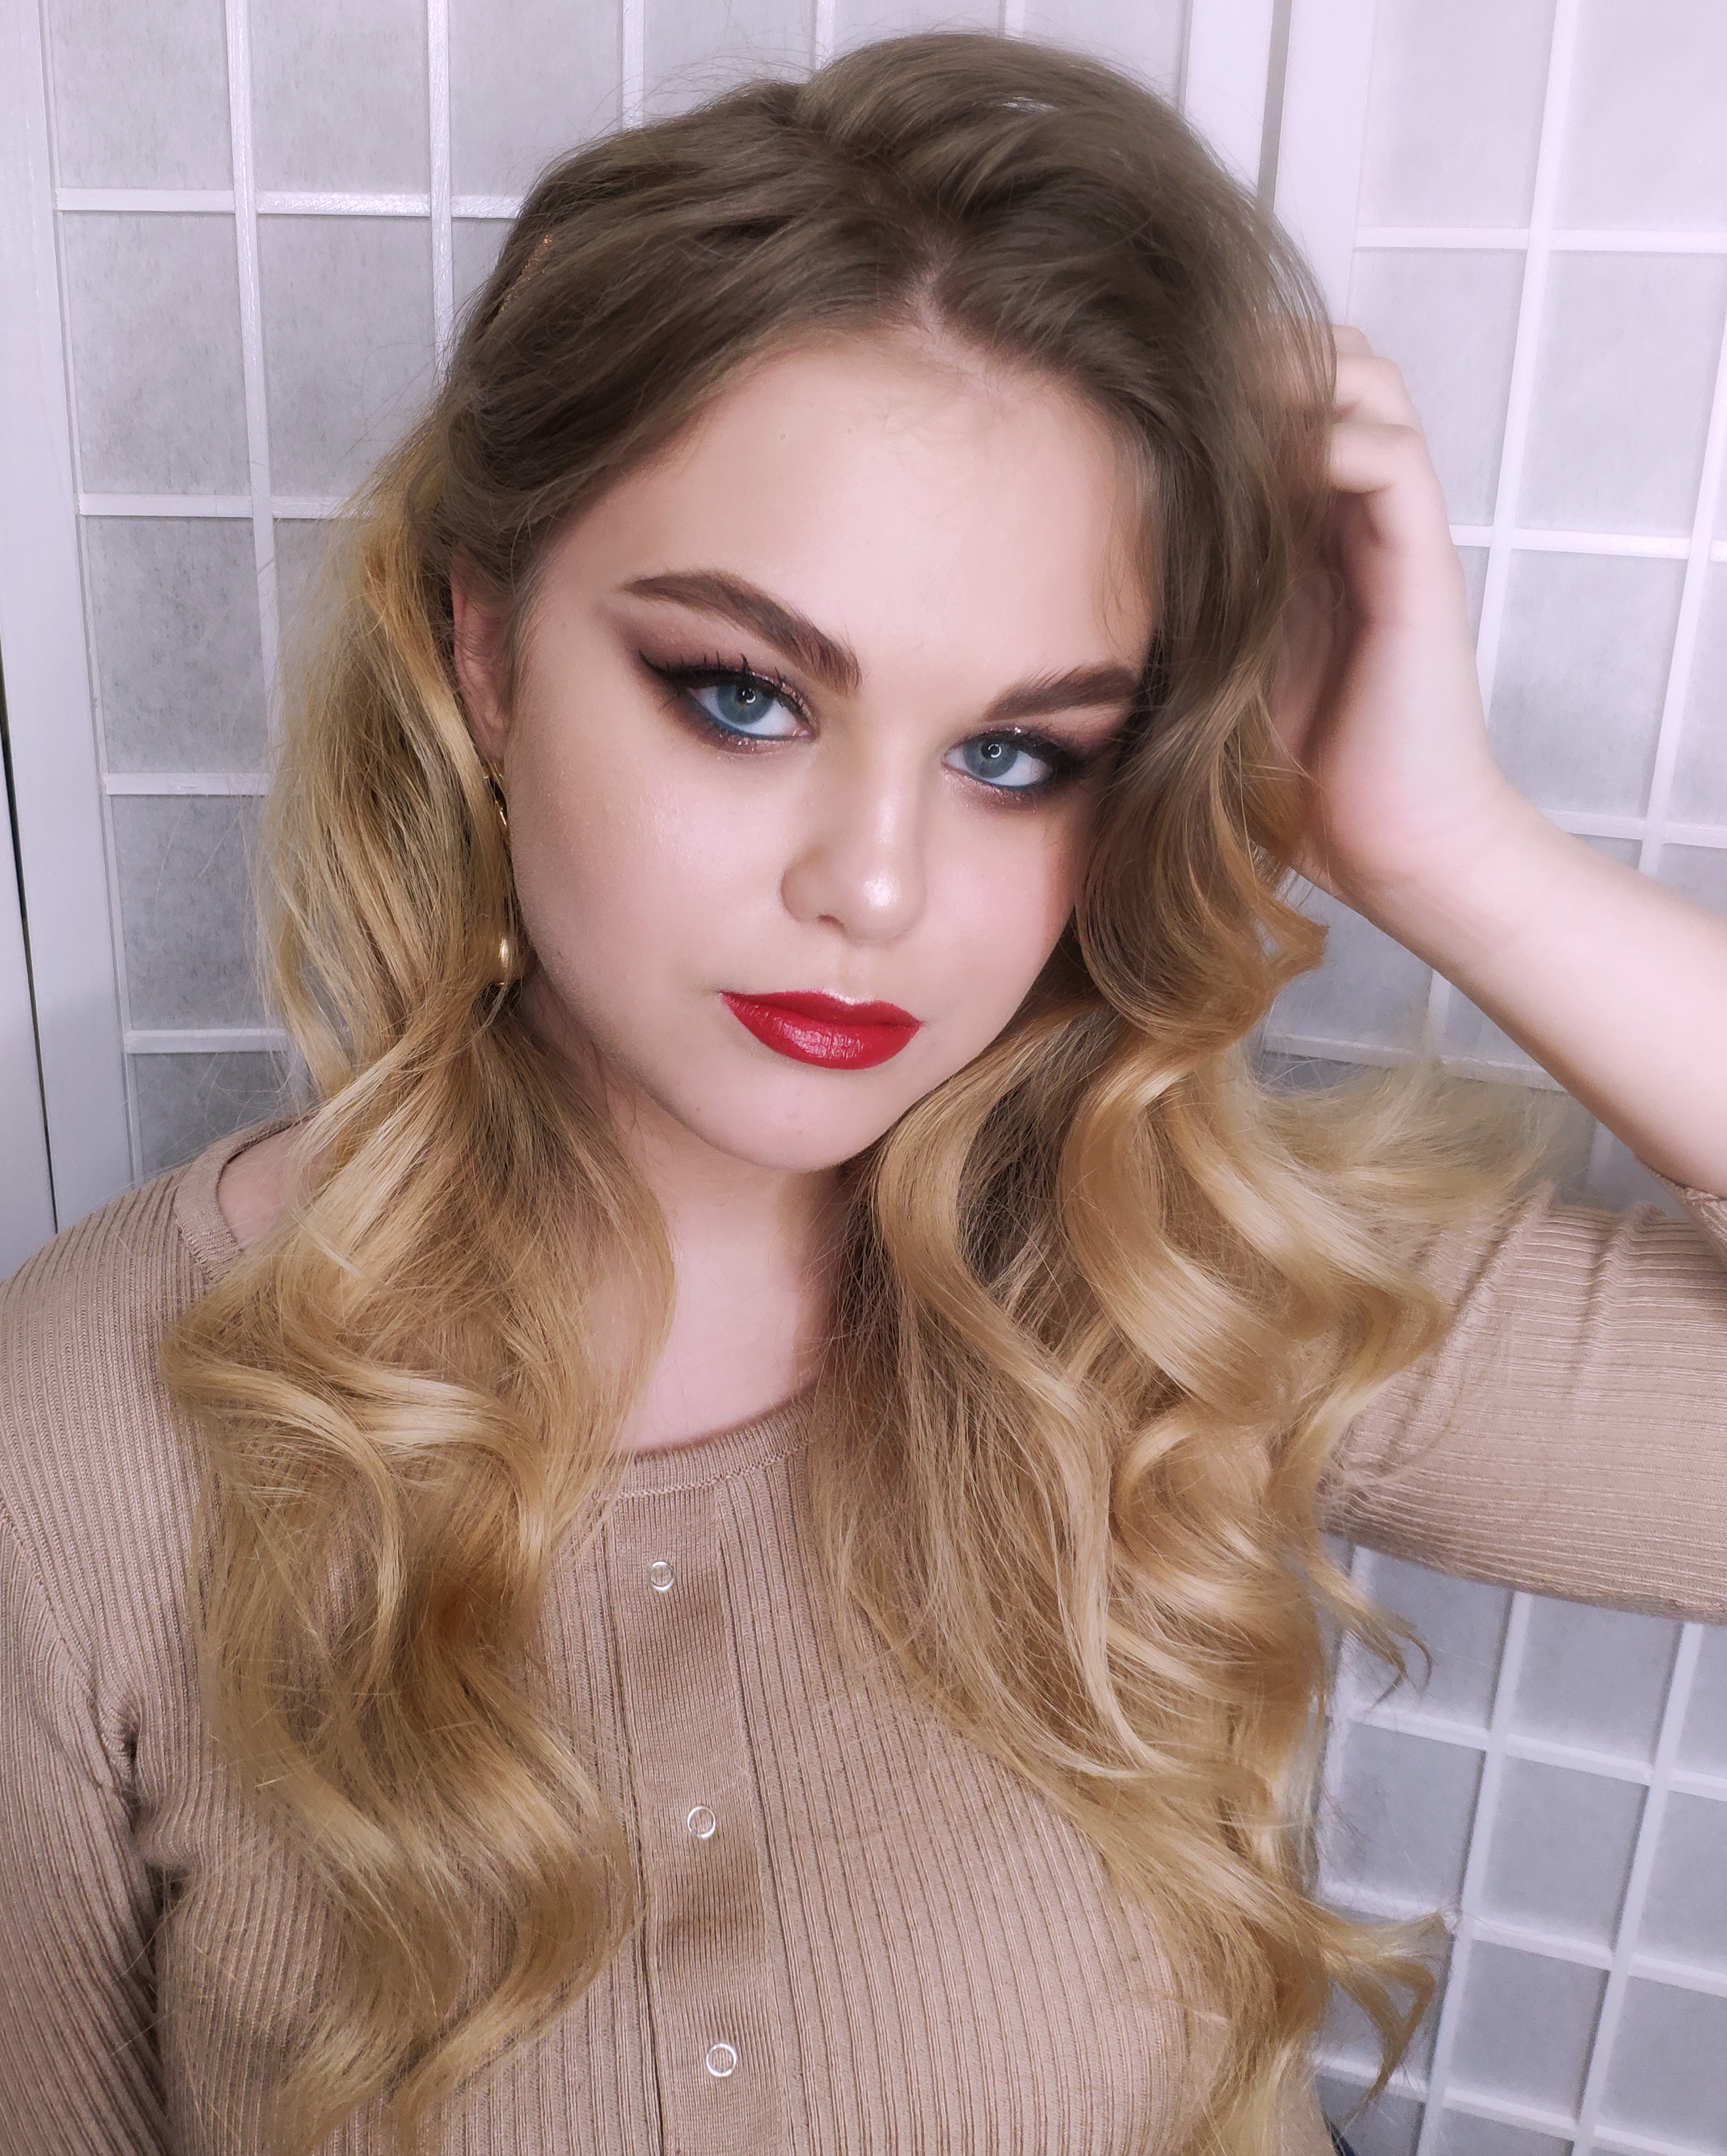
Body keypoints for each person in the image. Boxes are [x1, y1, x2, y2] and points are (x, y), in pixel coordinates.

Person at [1, 30, 1723, 2156]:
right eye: (742, 695)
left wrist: (1447, 849)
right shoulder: (81, 1443)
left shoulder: (1164, 1280)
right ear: (485, 650)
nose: (877, 887)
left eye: (1017, 753)